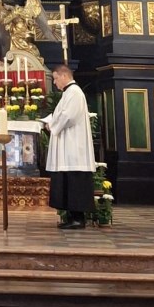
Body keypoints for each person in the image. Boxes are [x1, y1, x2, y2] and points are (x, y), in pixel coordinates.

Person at [42, 64, 96, 229]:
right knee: (68, 181)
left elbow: (68, 116)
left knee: (75, 182)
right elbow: (62, 114)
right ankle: (73, 217)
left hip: (73, 148)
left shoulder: (74, 93)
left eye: (56, 79)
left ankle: (78, 219)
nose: (55, 83)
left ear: (64, 76)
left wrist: (52, 126)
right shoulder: (69, 93)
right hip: (68, 147)